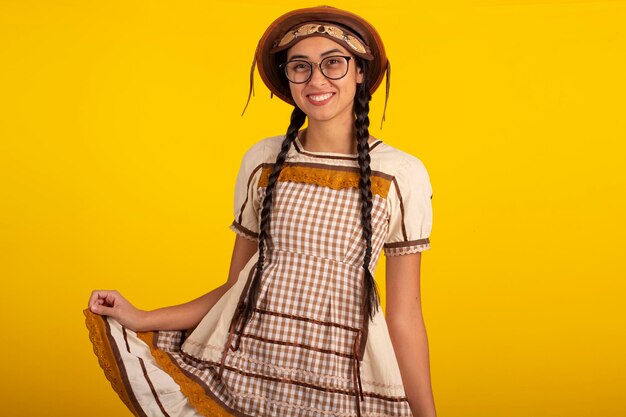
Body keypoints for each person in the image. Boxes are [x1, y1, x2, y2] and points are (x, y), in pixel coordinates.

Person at [85, 5, 437, 417]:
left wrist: (427, 413)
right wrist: (143, 316)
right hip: (247, 371)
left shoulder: (401, 174)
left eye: (333, 63)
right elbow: (236, 287)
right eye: (300, 66)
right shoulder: (264, 160)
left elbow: (404, 315)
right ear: (288, 79)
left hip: (342, 380)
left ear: (360, 72)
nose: (316, 79)